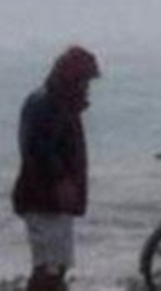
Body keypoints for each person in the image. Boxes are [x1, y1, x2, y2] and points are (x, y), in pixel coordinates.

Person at [10, 46, 101, 291]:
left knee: (55, 265)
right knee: (49, 267)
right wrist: (62, 181)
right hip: (45, 200)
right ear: (72, 79)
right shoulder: (48, 105)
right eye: (84, 81)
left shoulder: (54, 103)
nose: (87, 87)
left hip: (49, 200)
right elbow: (40, 151)